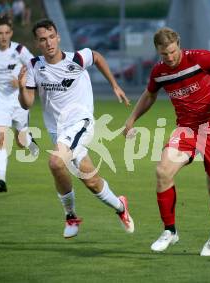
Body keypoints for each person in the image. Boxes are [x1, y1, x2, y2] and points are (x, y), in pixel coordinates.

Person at [123, 27, 210, 256]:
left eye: (171, 51)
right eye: (163, 54)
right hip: (187, 131)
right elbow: (150, 94)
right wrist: (132, 119)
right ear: (158, 52)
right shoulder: (159, 71)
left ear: (178, 43)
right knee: (162, 171)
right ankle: (169, 231)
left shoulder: (199, 58)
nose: (169, 57)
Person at [18, 19, 134, 238]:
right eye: (43, 40)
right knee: (90, 180)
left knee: (55, 161)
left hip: (81, 122)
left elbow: (97, 57)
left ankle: (70, 216)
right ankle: (120, 206)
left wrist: (115, 85)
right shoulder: (34, 66)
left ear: (58, 37)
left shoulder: (77, 58)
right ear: (37, 43)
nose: (49, 43)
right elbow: (27, 103)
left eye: (52, 37)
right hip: (58, 131)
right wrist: (22, 87)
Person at [0, 15, 39, 192]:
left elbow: (34, 66)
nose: (4, 36)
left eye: (7, 33)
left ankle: (29, 141)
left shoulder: (20, 50)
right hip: (0, 100)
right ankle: (1, 180)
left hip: (19, 99)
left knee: (21, 141)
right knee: (0, 137)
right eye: (0, 33)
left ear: (11, 33)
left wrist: (22, 82)